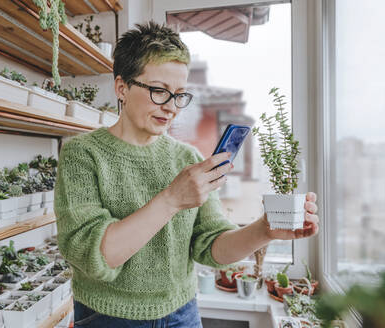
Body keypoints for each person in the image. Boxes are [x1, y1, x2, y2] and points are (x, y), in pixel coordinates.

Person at [54, 21, 319, 328]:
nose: (171, 107)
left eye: (179, 95)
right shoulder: (82, 154)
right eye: (158, 91)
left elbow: (210, 246)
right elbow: (97, 256)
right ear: (121, 87)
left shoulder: (187, 158)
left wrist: (264, 230)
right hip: (108, 317)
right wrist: (171, 199)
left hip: (182, 314)